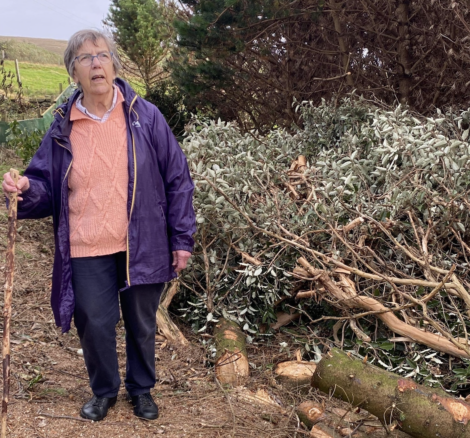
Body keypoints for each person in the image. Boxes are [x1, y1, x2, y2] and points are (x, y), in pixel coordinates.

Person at [1, 29, 196, 421]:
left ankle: (142, 390)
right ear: (73, 71)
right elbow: (44, 183)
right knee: (93, 322)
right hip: (86, 244)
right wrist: (23, 188)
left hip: (141, 241)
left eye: (102, 56)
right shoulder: (62, 127)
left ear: (114, 64)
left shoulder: (145, 116)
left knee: (141, 324)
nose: (95, 64)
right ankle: (104, 390)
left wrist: (182, 239)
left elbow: (178, 179)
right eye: (85, 58)